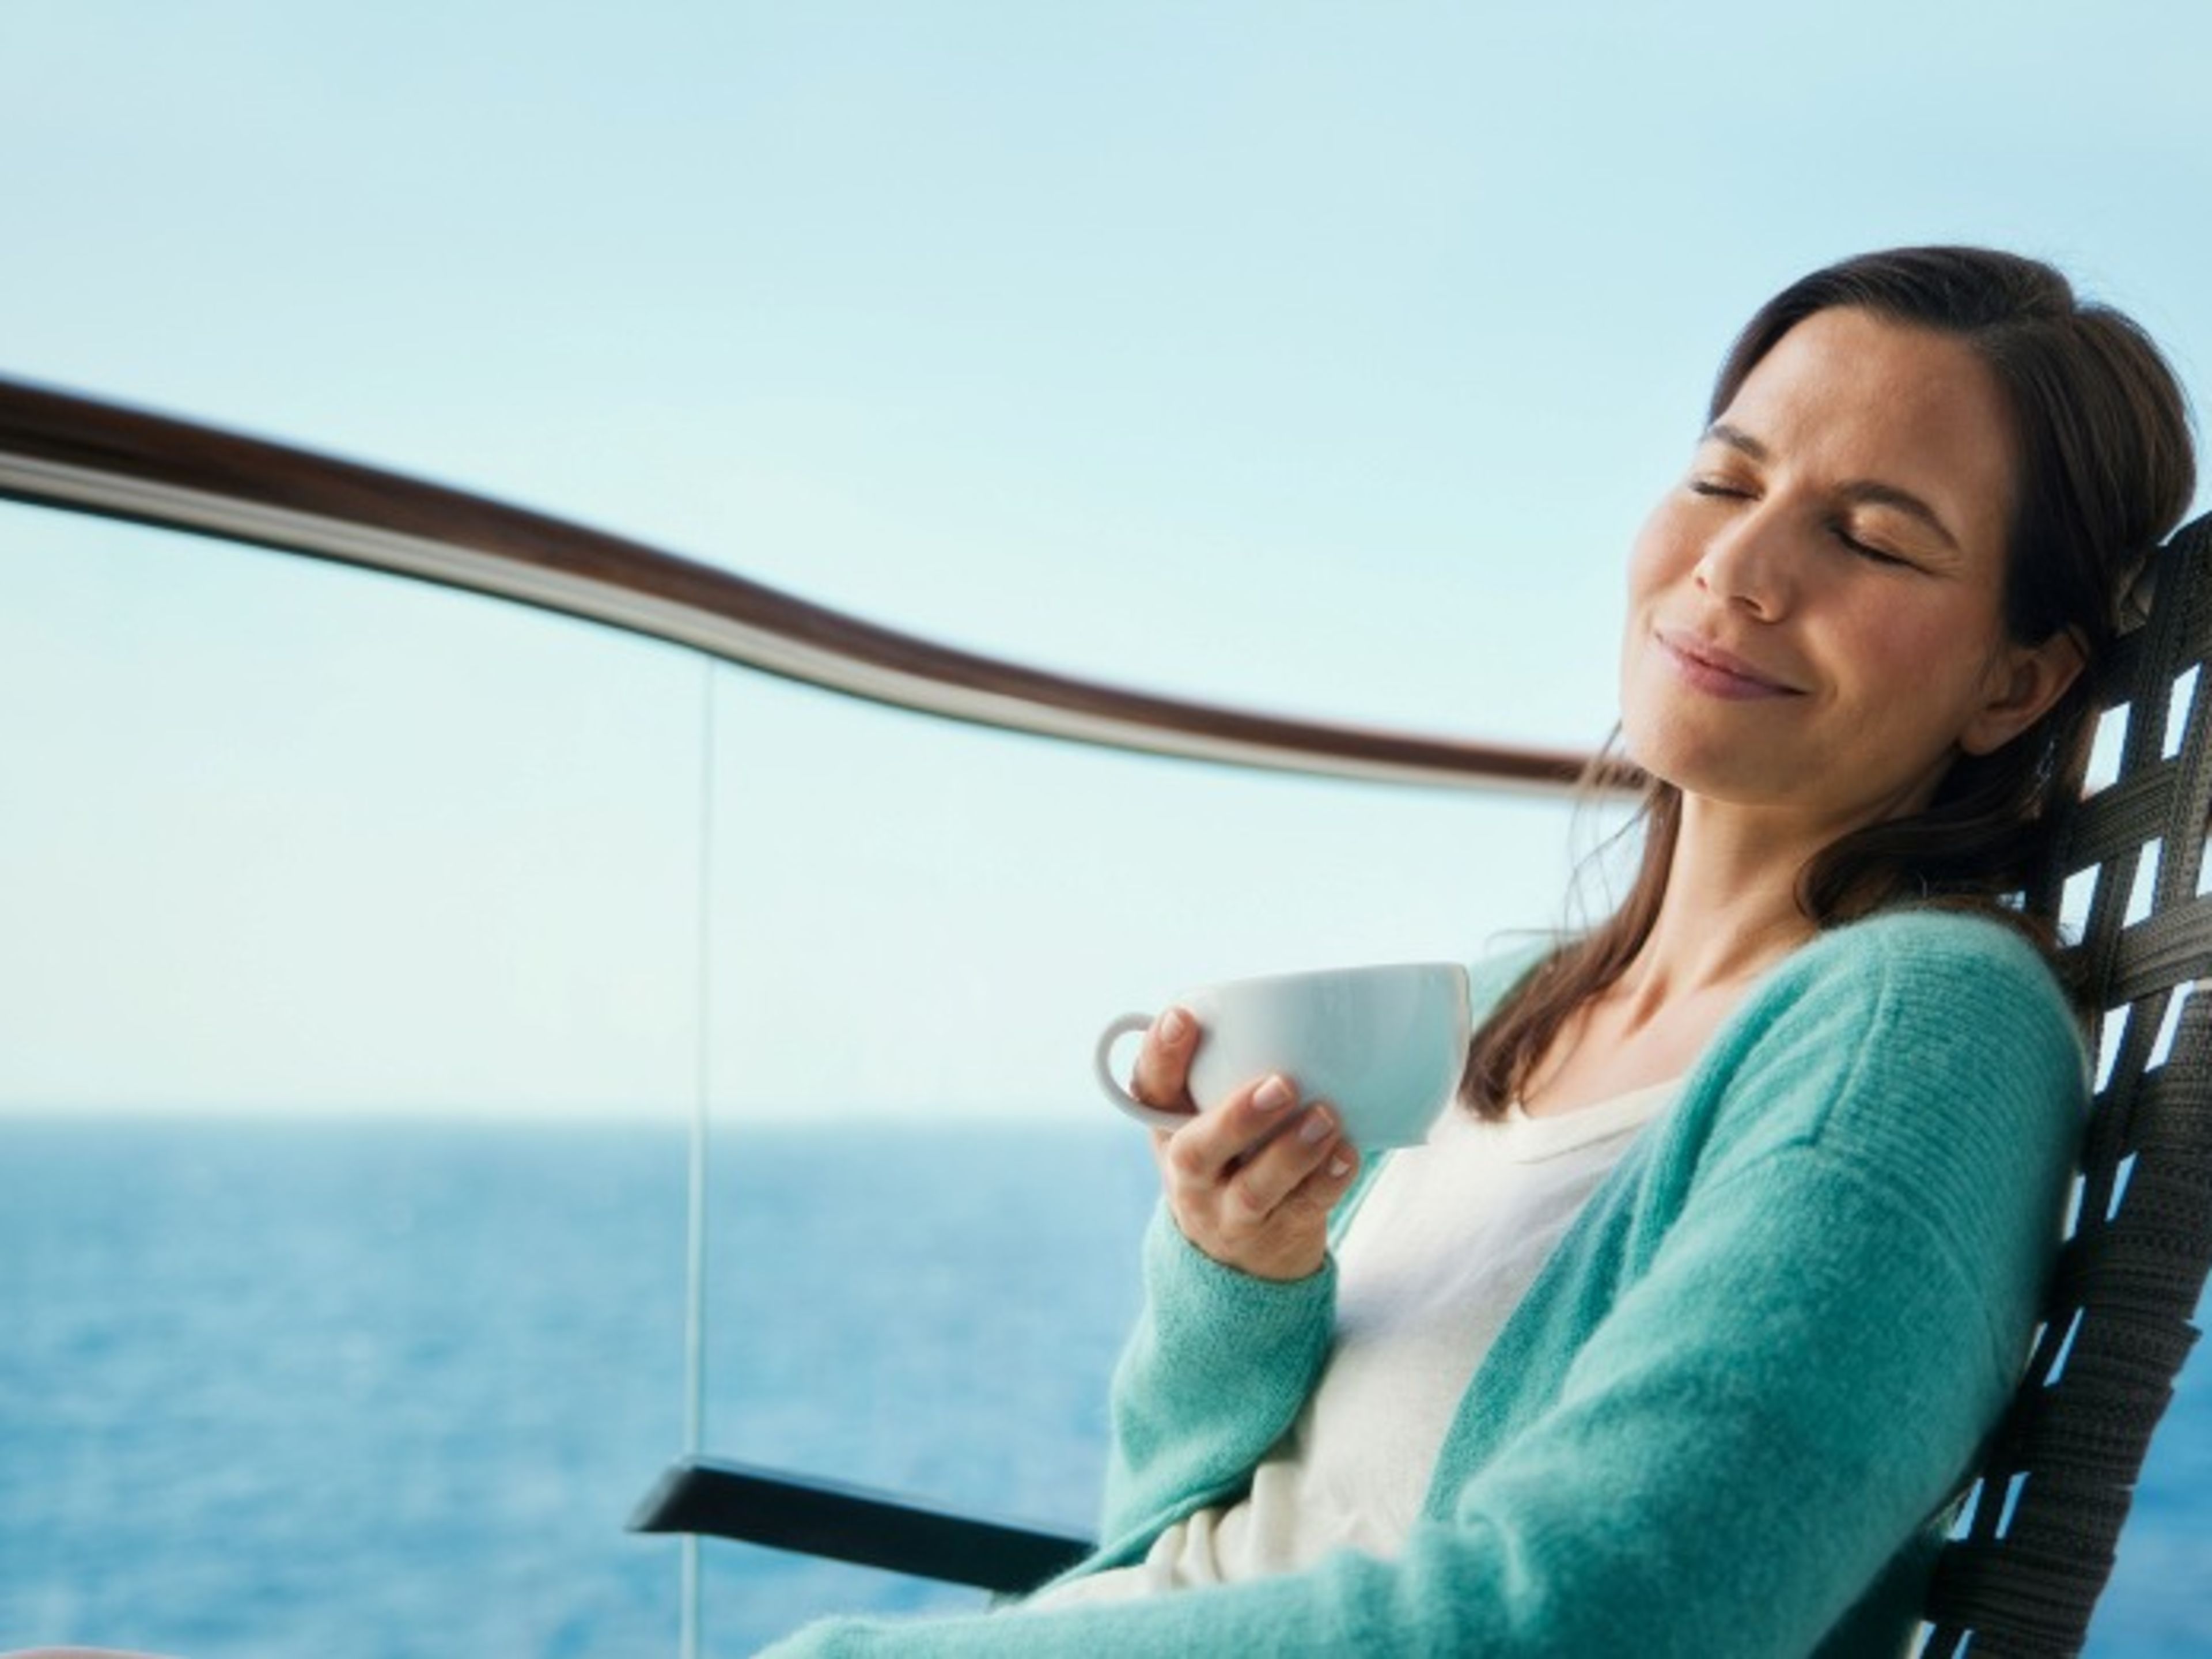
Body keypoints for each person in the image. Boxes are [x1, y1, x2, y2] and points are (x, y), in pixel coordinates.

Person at [760, 246, 2199, 1656]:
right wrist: (1242, 1272)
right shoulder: (1514, 1004)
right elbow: (1165, 1529)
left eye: (1873, 539)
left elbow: (1602, 1618)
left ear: (2017, 682)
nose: (1739, 568)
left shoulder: (1924, 1028)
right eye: (1723, 479)